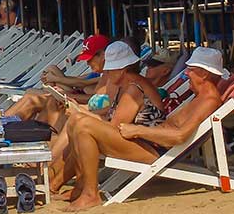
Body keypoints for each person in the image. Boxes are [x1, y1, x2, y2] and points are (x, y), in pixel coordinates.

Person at [62, 46, 229, 210]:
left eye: (191, 69)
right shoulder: (199, 97)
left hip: (156, 151)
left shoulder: (209, 101)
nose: (186, 73)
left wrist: (138, 130)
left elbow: (180, 136)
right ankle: (81, 188)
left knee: (84, 124)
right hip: (148, 143)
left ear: (204, 73)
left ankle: (91, 194)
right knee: (77, 119)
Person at [47, 41, 165, 196]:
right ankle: (54, 182)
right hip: (137, 142)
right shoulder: (125, 85)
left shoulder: (135, 89)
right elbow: (111, 118)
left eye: (109, 71)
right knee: (77, 121)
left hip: (150, 149)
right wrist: (78, 110)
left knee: (81, 125)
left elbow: (114, 126)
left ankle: (70, 187)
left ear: (122, 69)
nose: (106, 75)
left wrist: (80, 113)